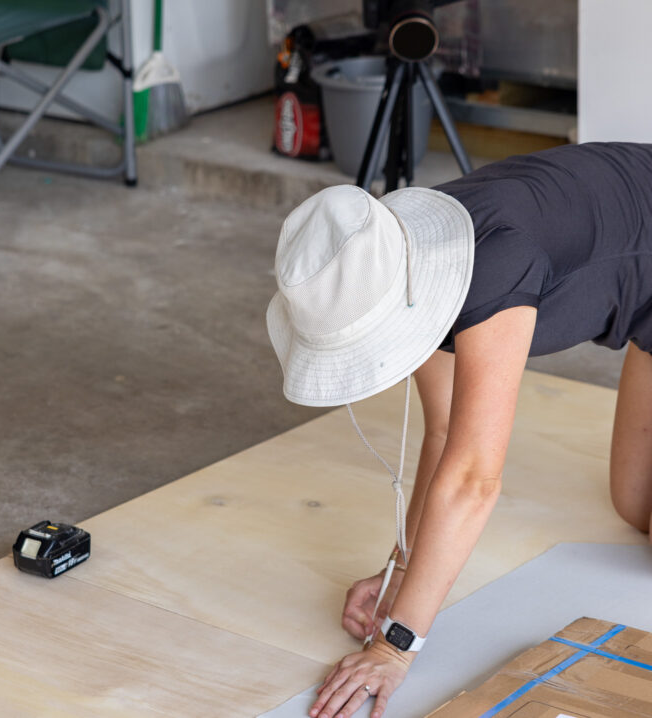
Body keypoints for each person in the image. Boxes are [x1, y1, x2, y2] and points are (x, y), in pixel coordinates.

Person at [265, 143, 652, 718]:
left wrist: (397, 647)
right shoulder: (401, 262)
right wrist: (399, 569)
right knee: (634, 507)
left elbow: (474, 478)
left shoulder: (487, 271)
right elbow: (445, 435)